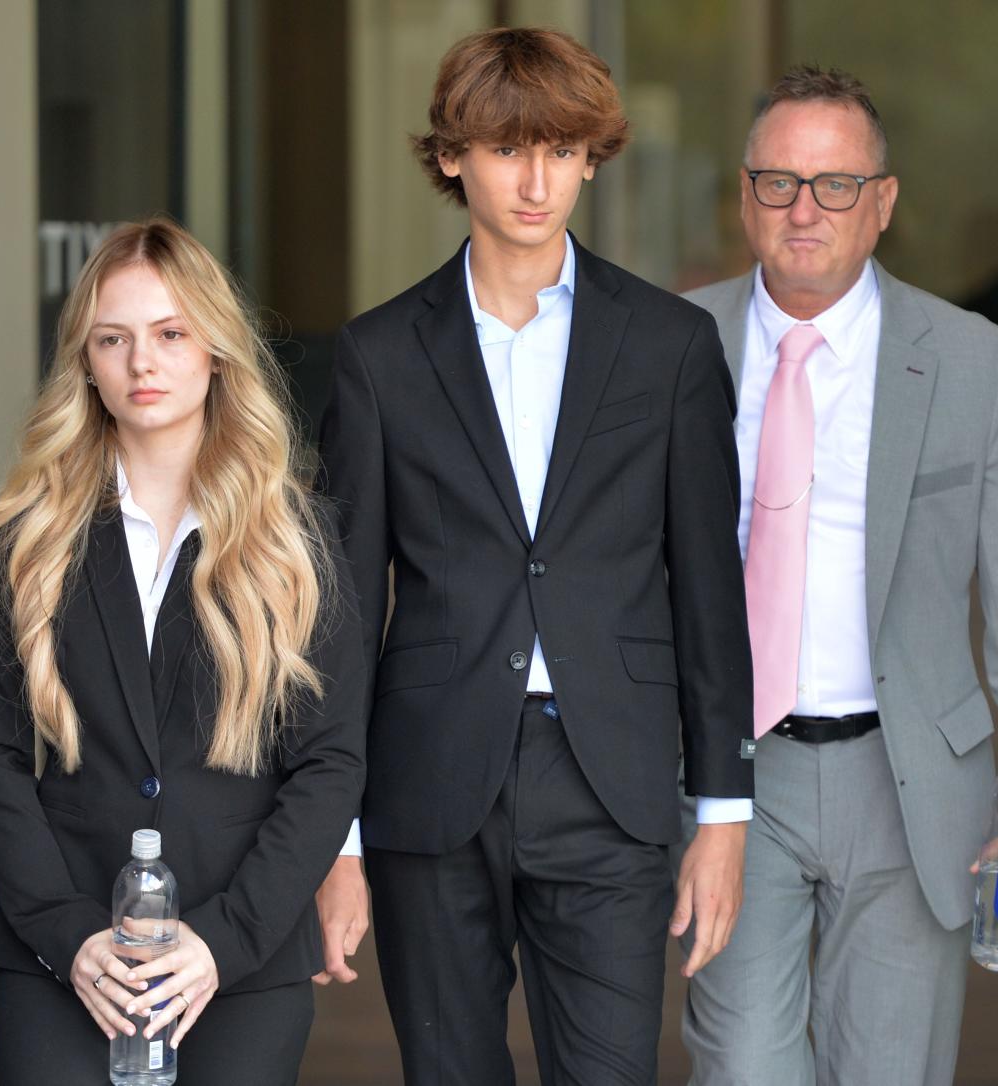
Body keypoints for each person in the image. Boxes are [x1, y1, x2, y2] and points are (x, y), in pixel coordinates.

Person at [315, 26, 753, 1085]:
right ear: (454, 155)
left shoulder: (669, 345)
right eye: (510, 148)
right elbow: (335, 609)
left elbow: (709, 588)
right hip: (430, 779)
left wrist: (724, 812)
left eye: (562, 149)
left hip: (610, 776)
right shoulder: (376, 356)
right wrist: (340, 839)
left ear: (594, 157)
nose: (537, 179)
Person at [674, 66, 998, 1085]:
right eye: (779, 182)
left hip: (911, 784)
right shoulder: (672, 342)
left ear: (884, 202)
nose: (804, 209)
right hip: (734, 782)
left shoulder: (971, 359)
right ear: (744, 197)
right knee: (742, 1068)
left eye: (835, 184)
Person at [0, 217, 367, 1085]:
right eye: (115, 340)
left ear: (215, 350)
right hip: (60, 965)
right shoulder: (23, 541)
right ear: (87, 363)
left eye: (171, 334)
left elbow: (330, 761)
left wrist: (224, 940)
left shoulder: (296, 539)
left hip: (239, 967)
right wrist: (70, 937)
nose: (143, 363)